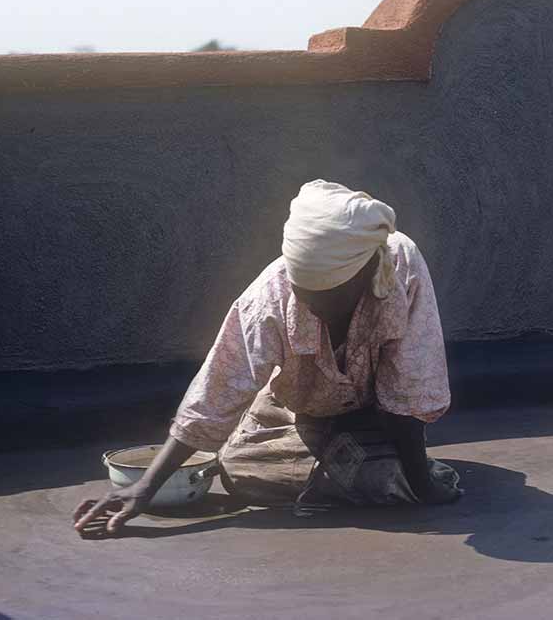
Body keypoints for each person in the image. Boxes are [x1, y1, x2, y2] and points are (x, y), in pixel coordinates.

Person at [74, 180, 463, 536]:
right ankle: (361, 469)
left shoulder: (402, 269)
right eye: (304, 295)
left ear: (363, 274)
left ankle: (389, 472)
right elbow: (216, 392)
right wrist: (143, 491)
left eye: (328, 298)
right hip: (299, 409)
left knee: (397, 476)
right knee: (238, 468)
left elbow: (407, 389)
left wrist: (422, 487)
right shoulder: (269, 298)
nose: (314, 308)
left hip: (380, 414)